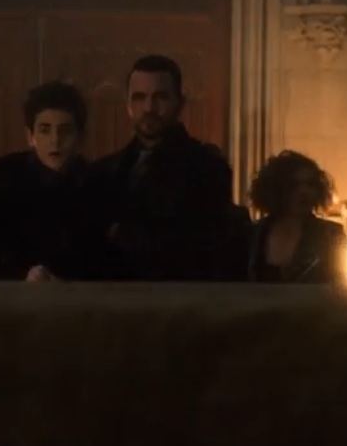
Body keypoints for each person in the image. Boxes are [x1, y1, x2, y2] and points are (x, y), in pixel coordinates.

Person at [88, 54, 246, 281]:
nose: (149, 108)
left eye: (160, 97)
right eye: (139, 98)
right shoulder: (105, 170)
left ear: (180, 102)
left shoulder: (207, 168)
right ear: (128, 104)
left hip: (176, 296)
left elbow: (199, 249)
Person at [0, 81, 100, 282]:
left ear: (80, 137)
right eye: (45, 130)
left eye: (65, 131)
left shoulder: (97, 184)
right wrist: (23, 275)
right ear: (30, 136)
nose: (55, 141)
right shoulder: (7, 177)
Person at [246, 151, 347, 284]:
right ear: (276, 188)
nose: (303, 192)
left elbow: (341, 286)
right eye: (294, 185)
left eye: (310, 184)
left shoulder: (330, 235)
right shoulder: (253, 234)